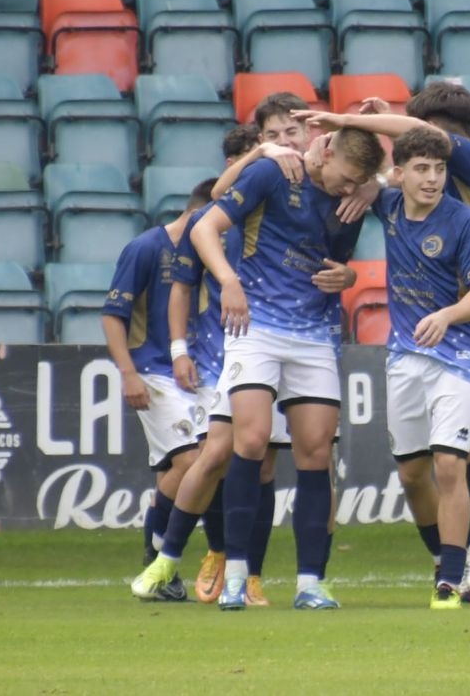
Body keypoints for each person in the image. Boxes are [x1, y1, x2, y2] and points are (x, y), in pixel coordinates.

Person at [295, 82, 470, 605]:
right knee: (460, 446)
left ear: (439, 132)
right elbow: (408, 164)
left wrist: (348, 120)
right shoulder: (450, 178)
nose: (429, 168)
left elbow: (416, 144)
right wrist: (379, 172)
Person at [191, 125, 385, 611]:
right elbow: (203, 228)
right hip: (255, 324)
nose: (348, 188)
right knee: (251, 440)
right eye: (346, 178)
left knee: (315, 453)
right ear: (326, 150)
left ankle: (309, 583)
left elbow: (338, 261)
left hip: (314, 333)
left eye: (357, 182)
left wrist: (350, 275)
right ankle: (237, 576)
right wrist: (228, 280)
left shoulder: (353, 199)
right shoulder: (274, 173)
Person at [131, 119, 297, 606]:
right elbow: (181, 288)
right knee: (212, 455)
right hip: (215, 358)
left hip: (275, 350)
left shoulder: (287, 213)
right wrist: (178, 350)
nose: (279, 152)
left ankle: (250, 575)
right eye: (266, 145)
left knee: (263, 465)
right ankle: (198, 554)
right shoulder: (210, 218)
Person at [375, 127, 470, 609]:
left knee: (449, 463)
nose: (432, 179)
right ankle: (440, 557)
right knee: (411, 473)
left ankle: (450, 579)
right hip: (405, 358)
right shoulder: (386, 206)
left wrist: (446, 316)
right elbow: (346, 175)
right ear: (399, 174)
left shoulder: (463, 221)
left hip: (459, 356)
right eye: (421, 169)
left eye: (439, 169)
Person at [103, 180, 216, 601]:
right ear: (199, 214)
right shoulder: (146, 248)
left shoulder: (210, 252)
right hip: (152, 370)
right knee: (192, 459)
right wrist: (128, 373)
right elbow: (113, 315)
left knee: (196, 464)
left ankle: (162, 562)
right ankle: (158, 558)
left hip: (197, 373)